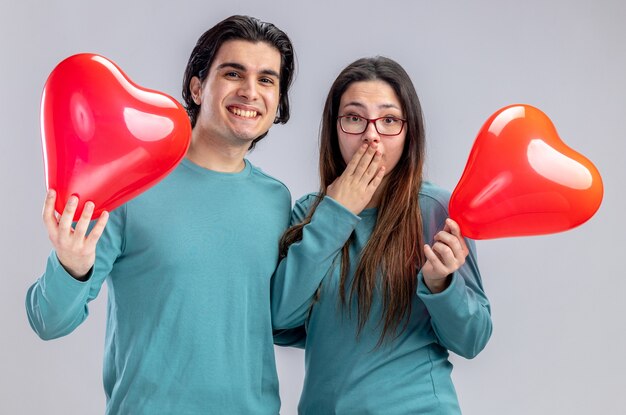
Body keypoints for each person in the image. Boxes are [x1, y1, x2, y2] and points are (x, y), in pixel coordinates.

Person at [26, 15, 295, 415]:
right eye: (233, 73)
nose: (250, 91)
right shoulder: (134, 185)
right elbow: (48, 321)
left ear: (277, 105)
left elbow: (280, 322)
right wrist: (70, 266)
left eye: (267, 79)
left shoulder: (276, 200)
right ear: (197, 87)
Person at [271, 56, 493, 414]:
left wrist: (442, 285)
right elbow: (280, 319)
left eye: (389, 119)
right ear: (334, 128)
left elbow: (472, 339)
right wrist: (336, 214)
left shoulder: (436, 208)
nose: (371, 134)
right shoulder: (309, 212)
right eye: (355, 118)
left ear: (409, 132)